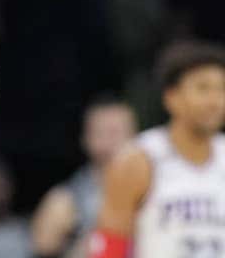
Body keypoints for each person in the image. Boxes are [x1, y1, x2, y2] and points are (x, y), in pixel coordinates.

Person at [90, 41, 225, 258]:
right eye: (203, 88)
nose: (215, 101)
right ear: (172, 98)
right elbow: (109, 249)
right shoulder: (139, 161)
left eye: (221, 89)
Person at [31, 98, 137, 258]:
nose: (110, 143)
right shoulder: (65, 200)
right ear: (86, 139)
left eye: (116, 133)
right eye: (101, 133)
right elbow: (41, 246)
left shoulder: (157, 189)